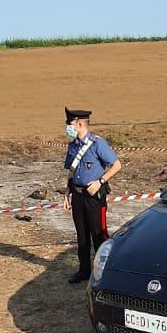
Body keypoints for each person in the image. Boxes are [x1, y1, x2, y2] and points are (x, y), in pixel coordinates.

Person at [62, 107, 121, 283]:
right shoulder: (73, 146)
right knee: (81, 236)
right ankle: (84, 271)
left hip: (94, 196)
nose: (67, 127)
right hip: (78, 196)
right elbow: (71, 171)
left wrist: (100, 182)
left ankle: (104, 273)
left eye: (69, 123)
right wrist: (67, 193)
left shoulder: (97, 144)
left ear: (79, 124)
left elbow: (116, 165)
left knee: (99, 235)